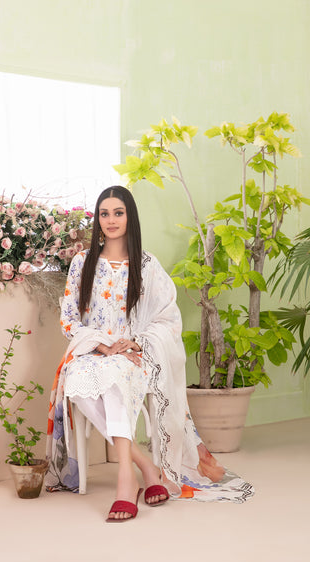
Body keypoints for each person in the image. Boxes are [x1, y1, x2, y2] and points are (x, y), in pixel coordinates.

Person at [46, 186, 253, 522]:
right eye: (104, 213)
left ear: (130, 216)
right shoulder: (83, 262)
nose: (111, 220)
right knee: (77, 384)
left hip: (133, 356)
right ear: (97, 220)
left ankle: (125, 481)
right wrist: (101, 346)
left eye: (118, 212)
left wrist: (136, 342)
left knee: (116, 376)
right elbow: (69, 319)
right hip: (92, 352)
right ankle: (144, 466)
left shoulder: (147, 265)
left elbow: (168, 318)